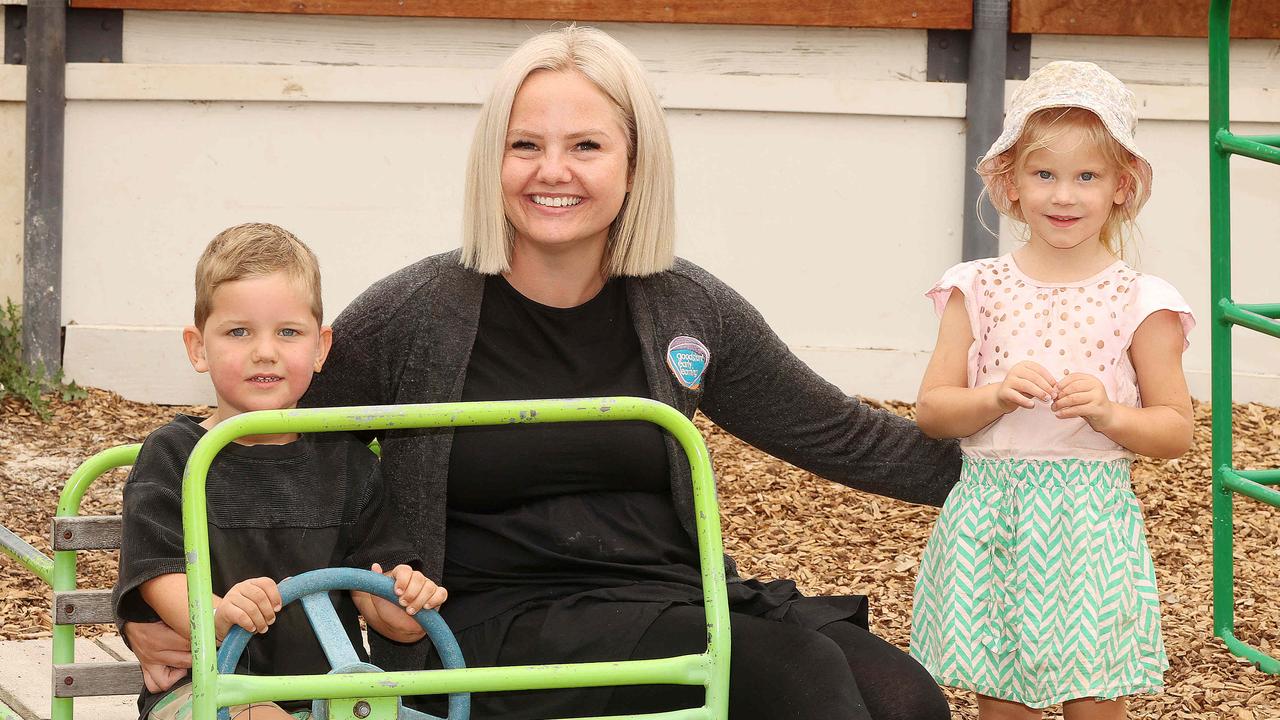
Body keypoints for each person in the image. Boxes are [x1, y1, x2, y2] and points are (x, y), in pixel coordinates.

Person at [126, 27, 961, 720]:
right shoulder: (417, 313)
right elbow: (265, 445)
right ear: (494, 161)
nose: (551, 171)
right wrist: (175, 618)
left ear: (635, 164)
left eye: (586, 145)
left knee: (905, 699)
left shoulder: (685, 308)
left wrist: (1041, 468)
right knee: (803, 685)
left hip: (669, 597)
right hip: (492, 623)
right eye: (525, 145)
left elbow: (843, 434)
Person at [908, 61, 1194, 720]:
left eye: (1086, 177)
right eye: (1045, 174)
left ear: (1122, 186)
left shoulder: (1141, 300)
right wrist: (995, 395)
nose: (1064, 196)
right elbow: (932, 412)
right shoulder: (975, 287)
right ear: (1011, 183)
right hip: (993, 523)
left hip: (1088, 528)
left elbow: (1174, 432)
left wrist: (1109, 413)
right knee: (1003, 701)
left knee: (1093, 702)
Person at [113, 223, 447, 720]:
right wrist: (217, 612)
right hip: (202, 690)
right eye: (238, 331)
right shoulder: (177, 456)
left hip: (327, 693)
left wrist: (408, 602)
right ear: (198, 347)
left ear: (320, 347)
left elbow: (380, 600)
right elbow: (157, 575)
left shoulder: (349, 463)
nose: (264, 350)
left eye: (288, 332)